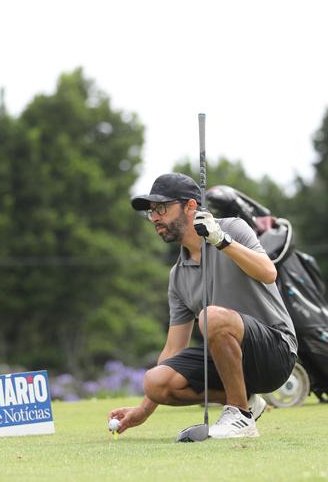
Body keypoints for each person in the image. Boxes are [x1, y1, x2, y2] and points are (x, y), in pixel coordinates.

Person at [108, 173, 298, 438]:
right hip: (228, 363)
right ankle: (246, 402)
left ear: (190, 206)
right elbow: (174, 349)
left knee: (212, 317)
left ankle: (240, 416)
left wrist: (221, 241)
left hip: (275, 352)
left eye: (161, 208)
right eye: (151, 212)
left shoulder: (232, 228)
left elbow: (269, 273)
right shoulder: (178, 276)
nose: (155, 218)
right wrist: (144, 409)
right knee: (156, 381)